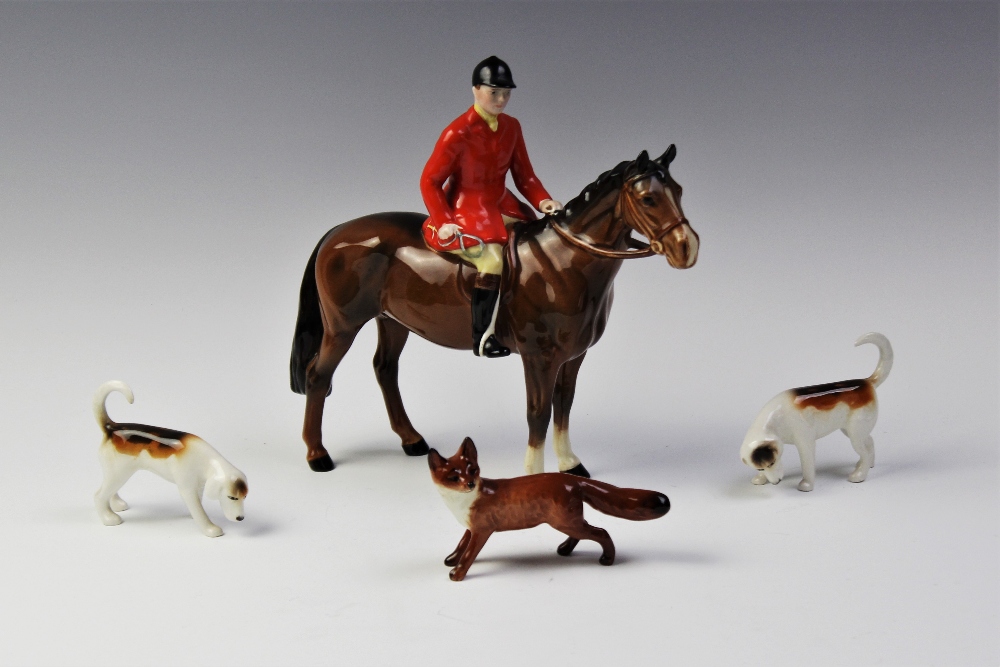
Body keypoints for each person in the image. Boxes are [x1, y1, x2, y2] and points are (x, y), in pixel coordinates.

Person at [421, 56, 562, 358]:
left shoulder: (512, 127)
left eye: (506, 93)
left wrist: (543, 200)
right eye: (494, 92)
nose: (501, 99)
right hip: (467, 209)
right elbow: (429, 181)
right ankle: (483, 337)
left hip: (501, 204)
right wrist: (443, 218)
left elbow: (525, 175)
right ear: (475, 90)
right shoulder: (457, 132)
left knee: (538, 241)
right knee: (492, 261)